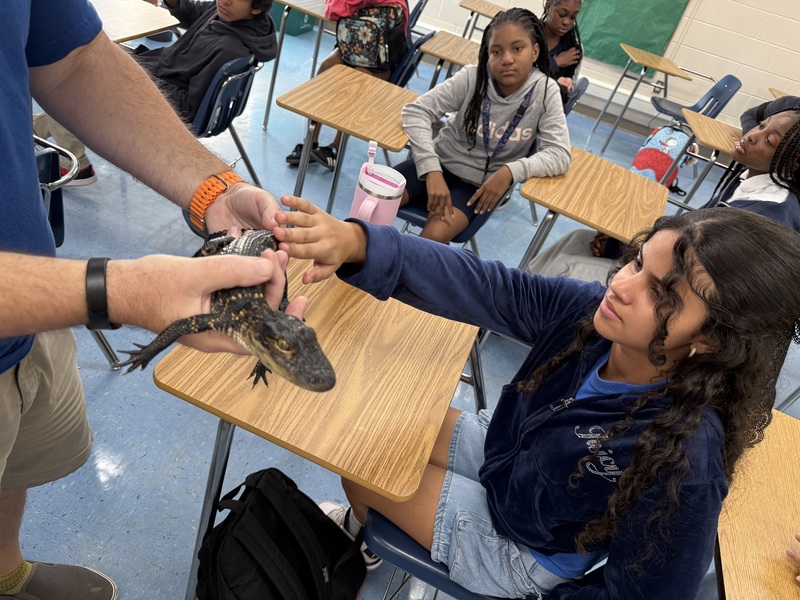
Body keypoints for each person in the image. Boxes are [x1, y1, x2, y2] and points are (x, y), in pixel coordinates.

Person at [273, 196, 800, 598]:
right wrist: (361, 243)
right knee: (370, 427)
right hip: (512, 458)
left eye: (661, 294)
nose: (621, 285)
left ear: (710, 340)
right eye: (637, 262)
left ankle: (371, 540)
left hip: (523, 545)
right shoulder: (594, 318)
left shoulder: (684, 454)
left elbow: (647, 593)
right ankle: (393, 530)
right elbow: (489, 286)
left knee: (362, 469)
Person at [2, 2, 304, 598]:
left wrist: (215, 189)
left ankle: (5, 571)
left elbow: (71, 59)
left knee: (17, 464)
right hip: (73, 293)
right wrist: (123, 291)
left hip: (36, 315)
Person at [526, 97, 800, 282]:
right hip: (667, 263)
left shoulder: (767, 215)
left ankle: (521, 311)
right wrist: (628, 247)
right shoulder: (754, 175)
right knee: (577, 238)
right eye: (761, 127)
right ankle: (520, 304)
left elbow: (696, 276)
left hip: (670, 292)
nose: (751, 135)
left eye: (769, 140)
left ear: (793, 163)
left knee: (567, 268)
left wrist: (634, 258)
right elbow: (687, 238)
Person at [32, 0, 278, 185]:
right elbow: (193, 15)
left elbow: (189, 107)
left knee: (73, 75)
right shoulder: (229, 15)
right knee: (88, 59)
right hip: (158, 70)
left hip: (166, 98)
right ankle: (41, 129)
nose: (224, 0)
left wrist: (134, 79)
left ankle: (76, 165)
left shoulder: (229, 48)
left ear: (256, 7)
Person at [396, 8, 570, 244]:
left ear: (535, 51)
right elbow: (416, 111)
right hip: (435, 166)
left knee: (431, 240)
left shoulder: (545, 91)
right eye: (496, 51)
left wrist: (511, 171)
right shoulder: (473, 77)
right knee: (372, 202)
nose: (506, 59)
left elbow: (559, 154)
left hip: (474, 188)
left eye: (517, 49)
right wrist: (431, 169)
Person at [285, 0, 409, 170]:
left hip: (385, 57)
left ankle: (335, 148)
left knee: (357, 78)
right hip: (354, 45)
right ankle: (311, 141)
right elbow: (333, 10)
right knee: (327, 66)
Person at [542, 0, 582, 104]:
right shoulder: (529, 34)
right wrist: (555, 63)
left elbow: (566, 98)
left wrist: (564, 86)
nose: (566, 22)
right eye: (562, 15)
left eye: (573, 18)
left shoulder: (573, 49)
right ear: (548, 7)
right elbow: (520, 75)